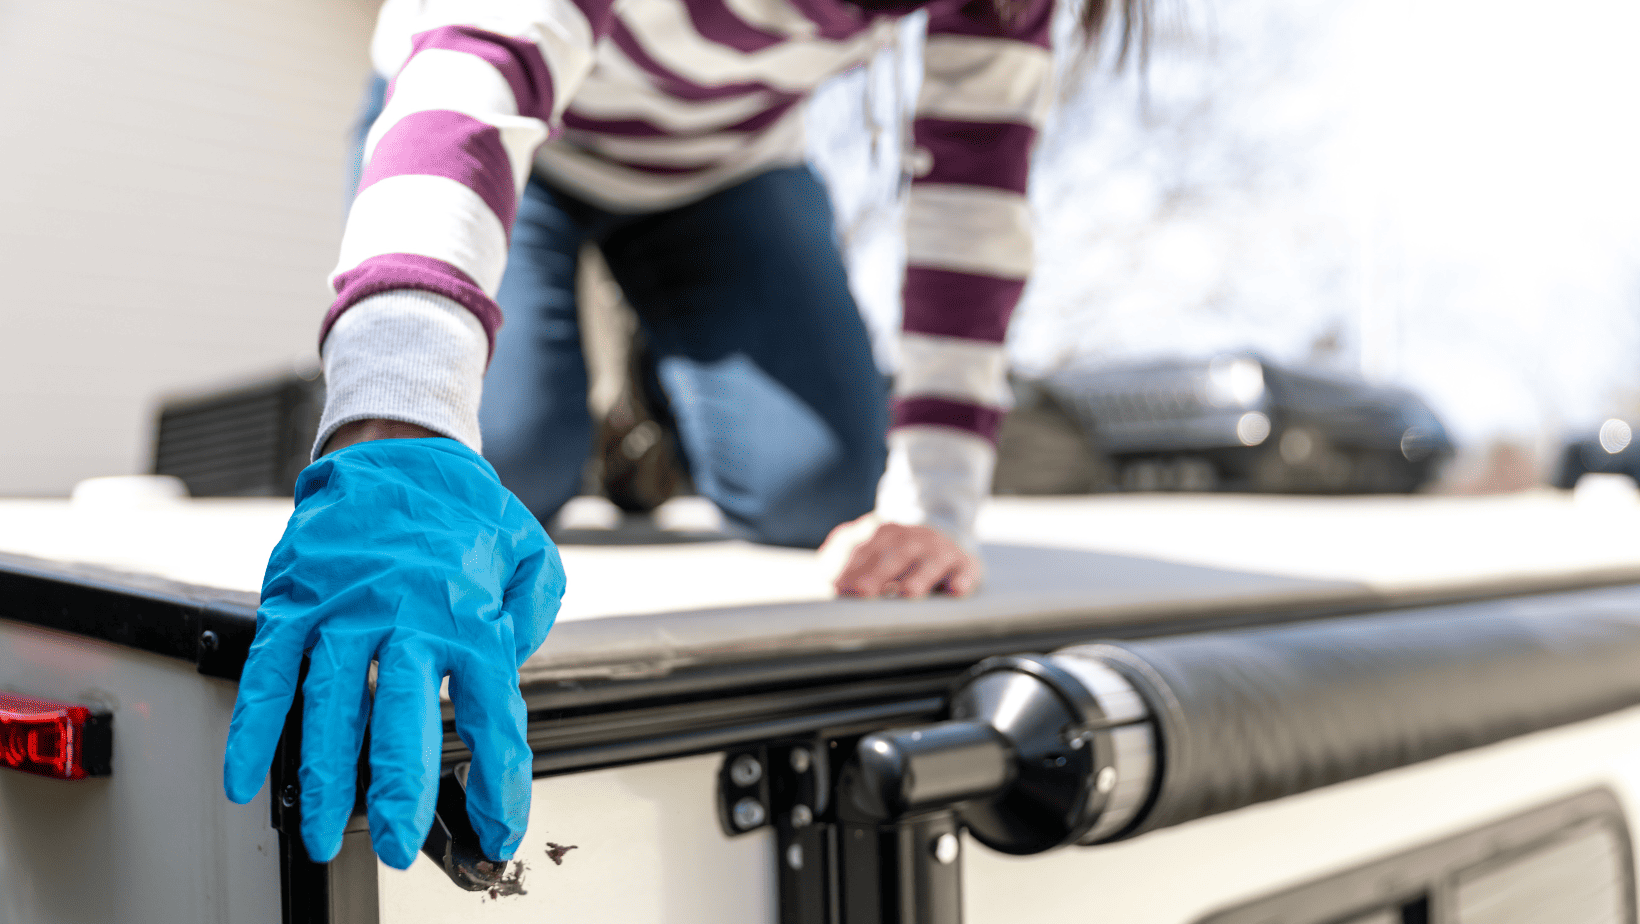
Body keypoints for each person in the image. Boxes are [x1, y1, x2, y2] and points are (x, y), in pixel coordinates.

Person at [224, 0, 1144, 874]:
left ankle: (655, 383)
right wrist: (395, 421)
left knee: (819, 490)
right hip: (513, 133)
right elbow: (481, 68)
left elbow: (974, 202)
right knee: (512, 459)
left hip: (718, 173)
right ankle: (451, 377)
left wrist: (935, 502)